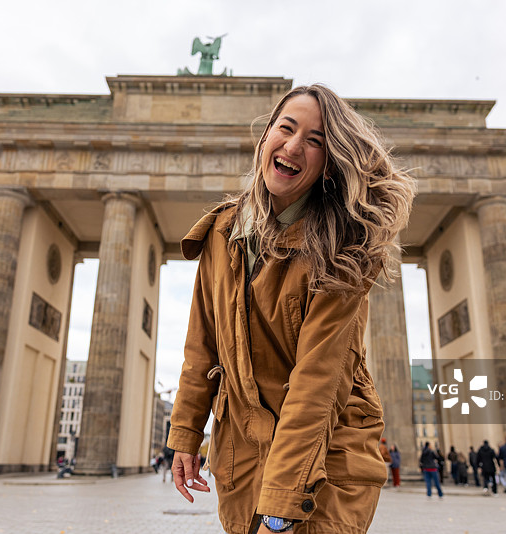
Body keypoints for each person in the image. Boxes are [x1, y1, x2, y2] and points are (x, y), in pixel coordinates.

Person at [166, 84, 416, 534]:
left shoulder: (342, 249)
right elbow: (201, 346)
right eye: (286, 128)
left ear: (328, 163)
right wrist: (186, 432)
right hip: (243, 453)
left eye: (315, 140)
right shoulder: (222, 231)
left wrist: (280, 513)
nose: (294, 146)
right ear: (265, 137)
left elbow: (317, 386)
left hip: (327, 457)